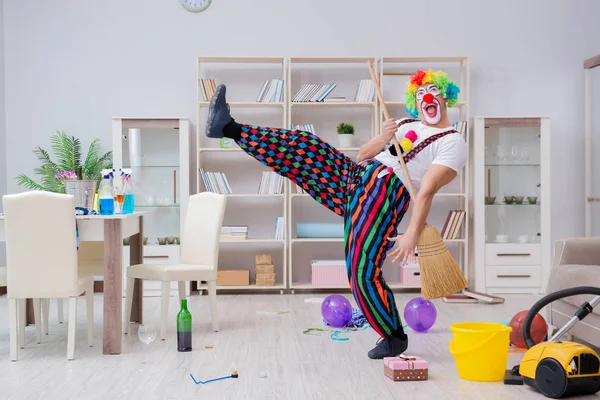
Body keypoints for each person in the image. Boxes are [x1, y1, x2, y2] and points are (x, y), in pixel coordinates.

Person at [204, 69, 467, 359]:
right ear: (415, 103)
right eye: (419, 93)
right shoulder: (404, 124)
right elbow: (362, 155)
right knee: (304, 146)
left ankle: (393, 336)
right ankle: (228, 128)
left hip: (384, 196)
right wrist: (385, 137)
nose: (426, 97)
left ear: (445, 97)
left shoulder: (452, 141)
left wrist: (413, 234)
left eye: (432, 91)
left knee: (361, 271)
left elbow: (427, 190)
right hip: (357, 176)